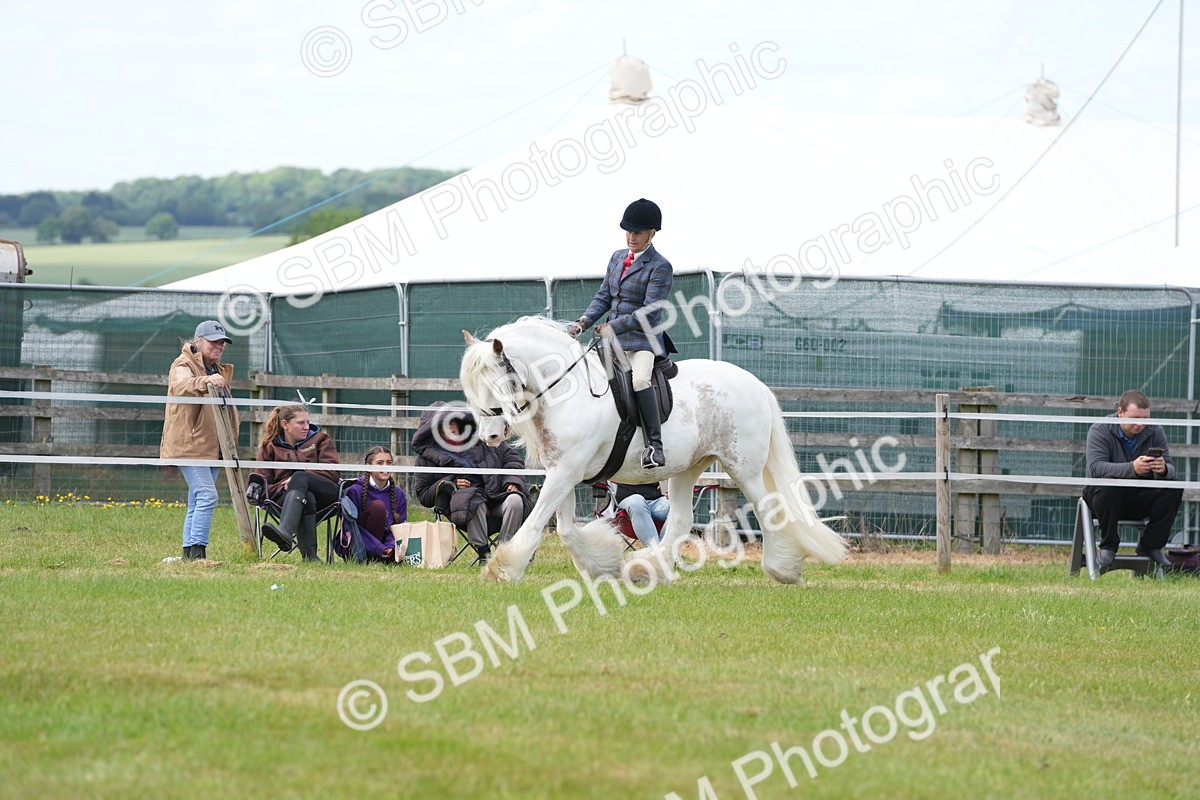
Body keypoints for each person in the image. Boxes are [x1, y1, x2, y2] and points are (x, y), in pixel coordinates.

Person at [569, 198, 674, 469]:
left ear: (652, 233)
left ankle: (654, 446)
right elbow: (603, 296)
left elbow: (649, 312)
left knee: (639, 381)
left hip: (642, 341)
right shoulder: (617, 257)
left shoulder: (660, 266)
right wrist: (583, 321)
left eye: (638, 232)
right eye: (628, 231)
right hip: (611, 341)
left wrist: (613, 326)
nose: (631, 237)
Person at [412, 401, 533, 561]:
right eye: (441, 425)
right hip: (466, 509)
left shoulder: (484, 438)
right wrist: (452, 483)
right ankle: (484, 553)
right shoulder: (425, 459)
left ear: (458, 422)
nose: (448, 428)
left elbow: (512, 461)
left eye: (451, 422)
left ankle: (504, 553)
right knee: (471, 499)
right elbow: (423, 495)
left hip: (497, 497)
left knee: (516, 500)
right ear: (432, 432)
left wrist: (513, 482)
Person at [160, 320, 238, 561]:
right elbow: (181, 386)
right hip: (189, 444)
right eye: (213, 341)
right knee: (208, 495)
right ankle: (199, 553)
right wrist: (205, 381)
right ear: (198, 341)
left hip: (213, 446)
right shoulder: (182, 364)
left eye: (222, 342)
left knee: (196, 498)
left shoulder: (218, 369)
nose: (219, 346)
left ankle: (188, 554)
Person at [1084, 389, 1182, 571]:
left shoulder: (1156, 430)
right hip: (1103, 498)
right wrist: (1132, 468)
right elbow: (1095, 468)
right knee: (1107, 487)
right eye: (1135, 418)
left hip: (1139, 495)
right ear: (1119, 412)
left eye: (1145, 419)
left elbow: (1170, 467)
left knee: (1174, 487)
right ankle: (1108, 545)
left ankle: (1151, 545)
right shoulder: (1100, 429)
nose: (1140, 424)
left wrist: (1163, 469)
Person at [257, 404, 341, 562]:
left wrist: (298, 478)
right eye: (301, 423)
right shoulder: (270, 447)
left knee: (299, 477)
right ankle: (311, 558)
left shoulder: (321, 440)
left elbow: (333, 473)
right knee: (306, 497)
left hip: (326, 494)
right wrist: (282, 486)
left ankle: (285, 531)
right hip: (287, 499)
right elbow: (262, 486)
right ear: (285, 425)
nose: (306, 427)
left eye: (307, 422)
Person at [343, 445, 407, 561]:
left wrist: (390, 546)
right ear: (368, 467)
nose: (385, 467)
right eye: (380, 463)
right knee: (378, 507)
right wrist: (379, 548)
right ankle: (372, 556)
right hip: (359, 546)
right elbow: (352, 527)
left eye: (389, 463)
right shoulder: (355, 490)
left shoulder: (399, 493)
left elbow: (401, 527)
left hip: (387, 547)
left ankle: (386, 556)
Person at [615, 481, 669, 548]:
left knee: (678, 504)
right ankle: (656, 550)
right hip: (629, 500)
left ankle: (664, 548)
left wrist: (672, 489)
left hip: (659, 500)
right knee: (636, 501)